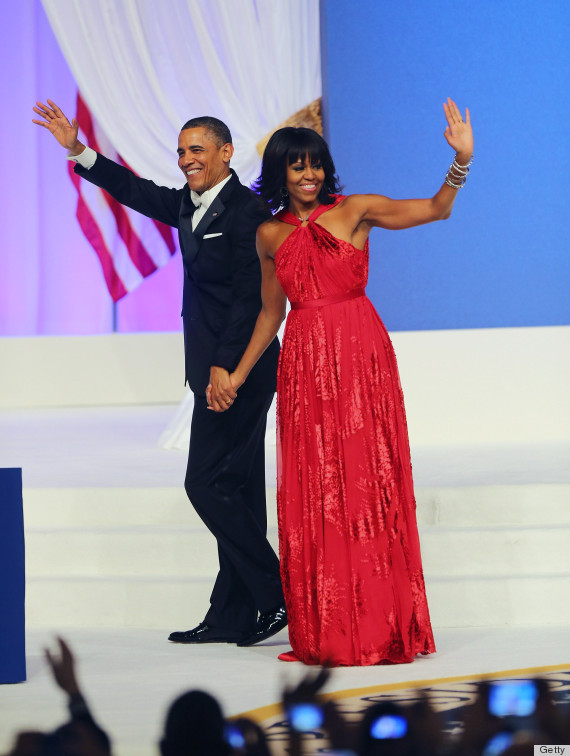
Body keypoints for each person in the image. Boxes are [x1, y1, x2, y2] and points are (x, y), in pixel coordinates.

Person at [209, 98, 474, 665]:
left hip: (358, 355)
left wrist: (460, 163)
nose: (310, 175)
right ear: (280, 171)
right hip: (304, 363)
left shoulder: (355, 210)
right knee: (317, 490)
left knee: (363, 481)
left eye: (317, 164)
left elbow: (435, 210)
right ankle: (330, 627)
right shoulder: (270, 236)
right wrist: (237, 371)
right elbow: (268, 315)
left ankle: (378, 622)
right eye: (298, 166)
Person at [32, 100, 287, 647]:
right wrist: (79, 150)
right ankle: (232, 615)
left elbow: (250, 300)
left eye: (197, 150)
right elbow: (135, 191)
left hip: (241, 368)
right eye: (180, 151)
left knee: (205, 483)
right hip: (210, 368)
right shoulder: (188, 205)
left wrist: (227, 370)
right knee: (236, 488)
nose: (186, 159)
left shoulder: (249, 213)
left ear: (226, 152)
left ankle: (275, 592)